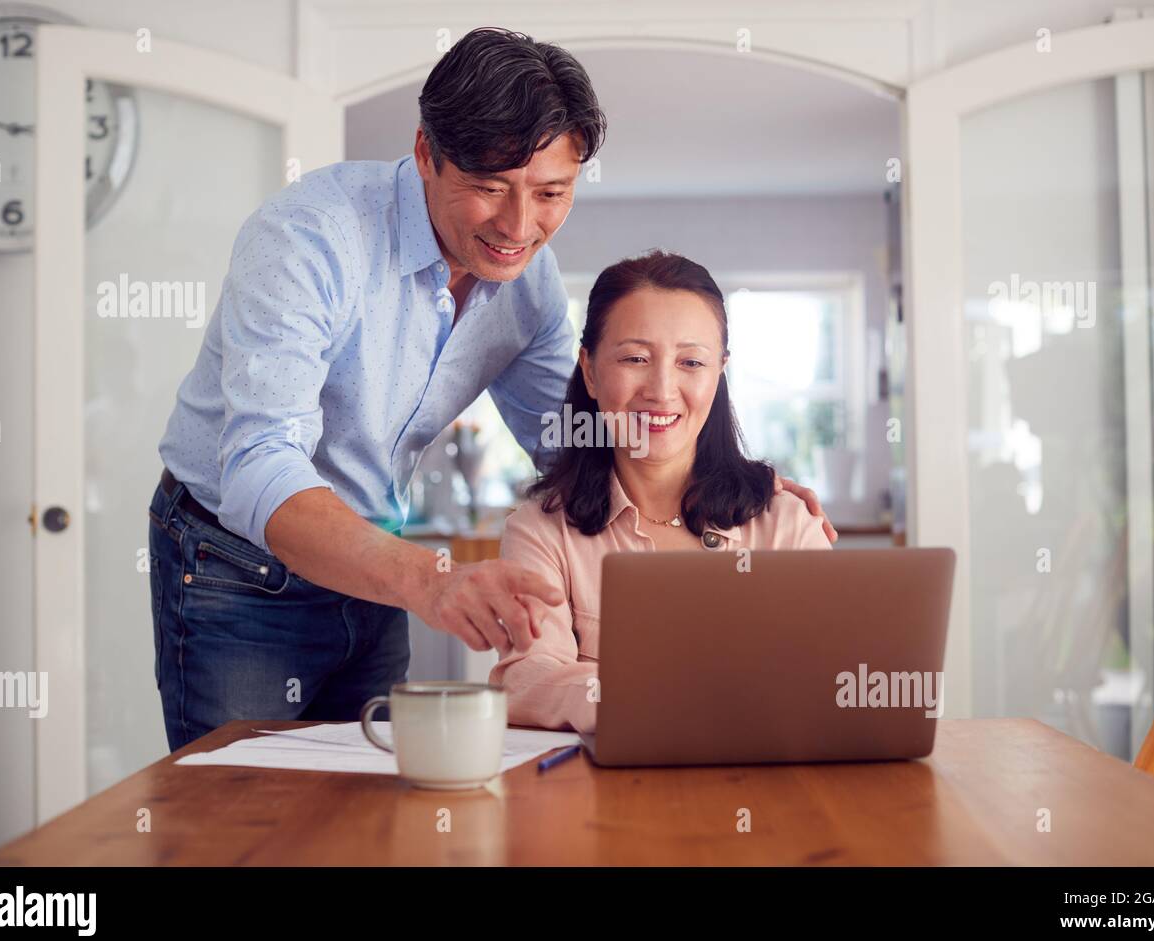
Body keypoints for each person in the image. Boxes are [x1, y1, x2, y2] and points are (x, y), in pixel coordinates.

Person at [148, 28, 836, 752]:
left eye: (550, 193)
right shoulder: (310, 240)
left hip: (375, 560)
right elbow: (259, 464)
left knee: (375, 799)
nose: (518, 226)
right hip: (234, 562)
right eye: (488, 188)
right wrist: (431, 581)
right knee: (239, 810)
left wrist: (736, 482)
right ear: (425, 153)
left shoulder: (525, 284)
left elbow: (575, 433)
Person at [490, 251, 834, 733]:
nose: (662, 389)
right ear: (589, 370)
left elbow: (834, 673)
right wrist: (652, 697)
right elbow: (526, 677)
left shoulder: (785, 523)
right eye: (635, 358)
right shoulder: (541, 531)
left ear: (719, 373)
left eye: (691, 362)